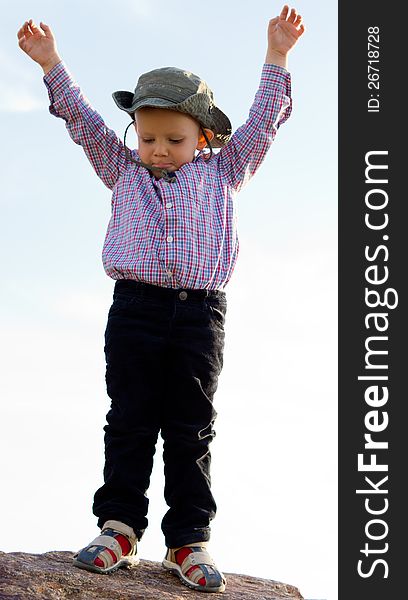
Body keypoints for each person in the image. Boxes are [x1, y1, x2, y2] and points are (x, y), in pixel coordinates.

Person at [17, 5, 305, 594]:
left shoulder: (224, 173)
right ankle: (119, 526)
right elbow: (82, 120)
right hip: (135, 310)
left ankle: (188, 540)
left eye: (173, 139)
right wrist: (51, 63)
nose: (158, 149)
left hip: (200, 315)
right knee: (129, 419)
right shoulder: (122, 172)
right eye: (147, 138)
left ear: (203, 137)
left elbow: (264, 122)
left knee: (190, 425)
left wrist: (277, 55)